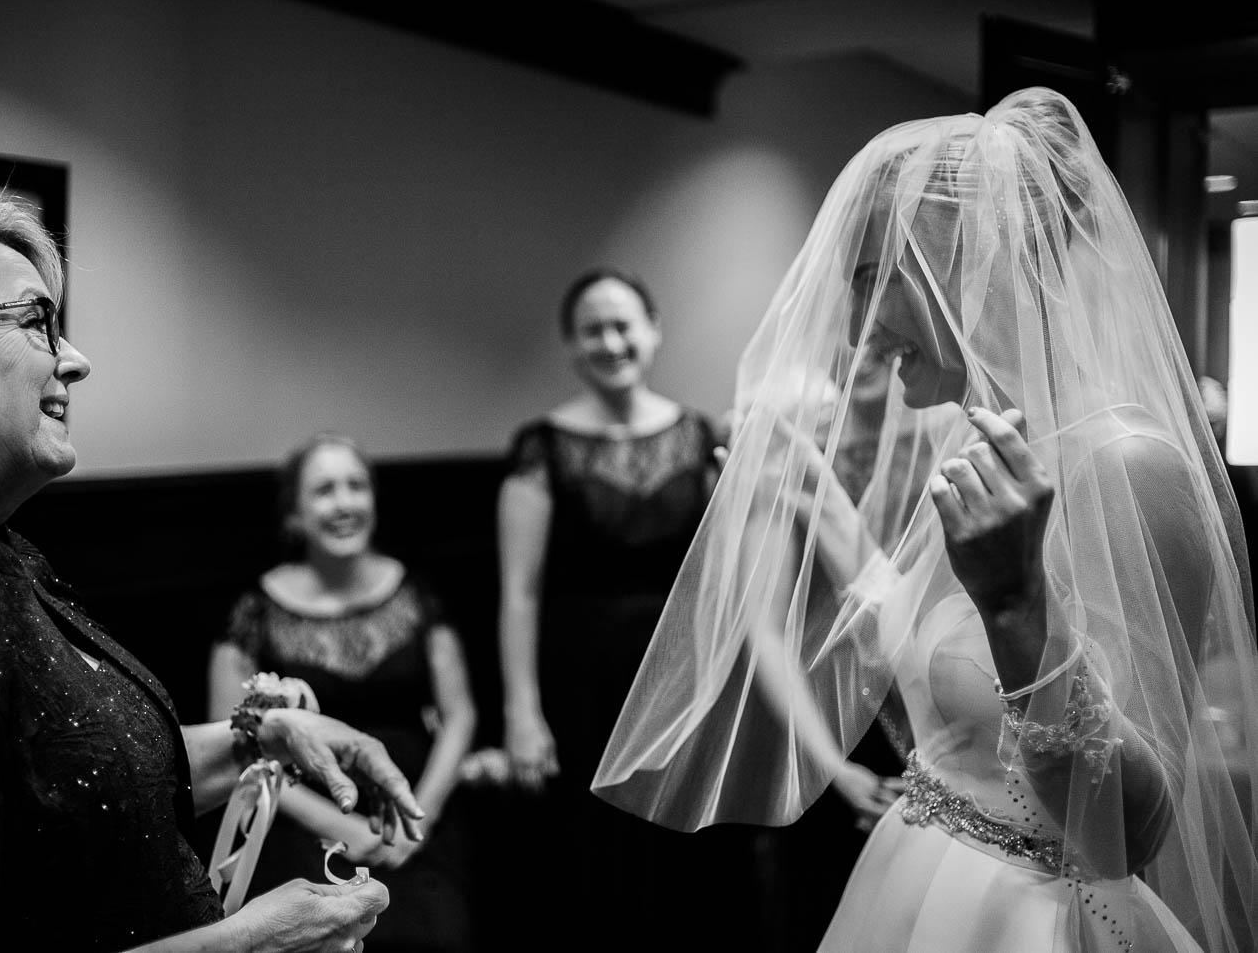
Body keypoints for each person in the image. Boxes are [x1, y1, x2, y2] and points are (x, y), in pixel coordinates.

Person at [594, 87, 1258, 952]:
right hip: (911, 890)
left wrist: (1020, 606)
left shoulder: (1129, 468)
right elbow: (942, 694)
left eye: (872, 281)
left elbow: (1129, 836)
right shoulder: (972, 442)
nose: (863, 335)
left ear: (957, 262)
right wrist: (826, 511)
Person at [0, 192, 427, 952]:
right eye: (36, 321)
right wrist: (252, 941)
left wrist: (260, 736)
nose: (75, 360)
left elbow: (79, 788)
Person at [494, 268, 765, 949]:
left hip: (684, 678)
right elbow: (518, 592)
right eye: (593, 330)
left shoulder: (701, 437)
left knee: (689, 860)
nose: (610, 341)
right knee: (596, 863)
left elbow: (728, 576)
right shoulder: (541, 448)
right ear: (571, 346)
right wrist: (522, 713)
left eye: (623, 325)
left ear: (652, 332)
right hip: (582, 689)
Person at [208, 433, 478, 953]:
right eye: (325, 490)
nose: (345, 503)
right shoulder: (253, 612)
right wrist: (340, 826)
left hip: (419, 811)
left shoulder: (417, 594)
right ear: (295, 515)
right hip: (301, 819)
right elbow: (233, 746)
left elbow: (460, 714)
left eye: (357, 486)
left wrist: (419, 814)